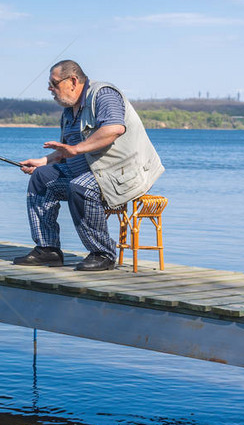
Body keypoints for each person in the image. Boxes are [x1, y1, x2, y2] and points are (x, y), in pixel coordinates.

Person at [14, 60, 164, 271]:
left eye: (54, 83)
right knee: (41, 178)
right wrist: (42, 162)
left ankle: (103, 253)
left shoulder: (104, 94)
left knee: (81, 186)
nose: (50, 89)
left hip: (121, 173)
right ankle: (48, 250)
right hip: (89, 171)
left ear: (73, 81)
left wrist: (75, 150)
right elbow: (68, 150)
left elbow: (113, 129)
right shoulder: (68, 110)